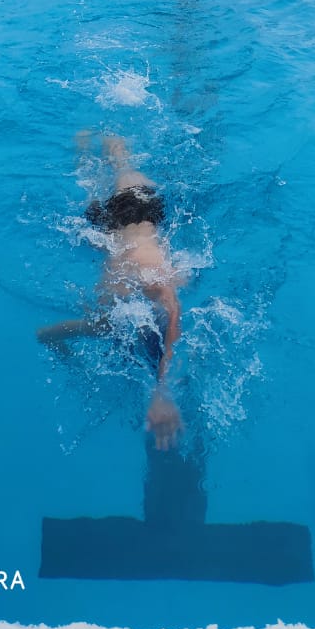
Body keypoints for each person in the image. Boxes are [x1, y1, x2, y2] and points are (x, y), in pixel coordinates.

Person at [37, 134, 184, 450]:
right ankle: (102, 141)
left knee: (103, 187)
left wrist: (162, 391)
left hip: (130, 230)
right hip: (135, 214)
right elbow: (172, 315)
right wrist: (162, 391)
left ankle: (91, 143)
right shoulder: (133, 287)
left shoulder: (116, 309)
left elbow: (47, 335)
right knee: (121, 173)